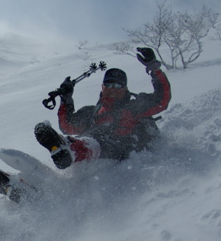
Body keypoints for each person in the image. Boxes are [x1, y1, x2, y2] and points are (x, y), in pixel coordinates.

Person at [34, 47, 171, 170]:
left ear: (125, 89)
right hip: (92, 157)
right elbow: (67, 126)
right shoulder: (92, 112)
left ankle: (69, 149)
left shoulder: (134, 106)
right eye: (109, 84)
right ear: (102, 87)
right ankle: (32, 179)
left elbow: (161, 100)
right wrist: (66, 99)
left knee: (95, 137)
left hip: (125, 152)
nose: (113, 89)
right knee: (88, 137)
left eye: (118, 86)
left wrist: (154, 69)